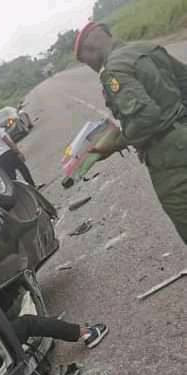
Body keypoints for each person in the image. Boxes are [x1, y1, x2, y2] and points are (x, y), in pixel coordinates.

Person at [74, 21, 187, 244]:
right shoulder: (147, 47)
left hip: (168, 159)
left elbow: (147, 116)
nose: (88, 65)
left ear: (89, 49)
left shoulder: (113, 69)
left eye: (84, 60)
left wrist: (117, 142)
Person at [0, 116, 36, 187]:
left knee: (12, 178)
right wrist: (18, 152)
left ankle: (19, 194)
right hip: (9, 153)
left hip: (0, 159)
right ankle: (33, 186)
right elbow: (9, 142)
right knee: (23, 170)